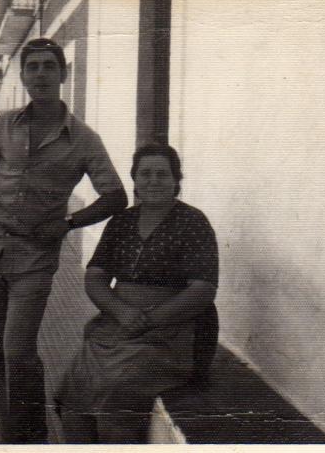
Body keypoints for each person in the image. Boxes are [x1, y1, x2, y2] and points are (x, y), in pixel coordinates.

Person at [0, 38, 127, 444]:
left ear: (63, 73)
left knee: (18, 350)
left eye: (49, 66)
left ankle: (32, 437)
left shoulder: (84, 139)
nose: (40, 74)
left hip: (34, 259)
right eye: (32, 67)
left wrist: (68, 223)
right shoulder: (4, 123)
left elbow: (116, 196)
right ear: (23, 76)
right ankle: (11, 435)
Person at [56, 143, 219, 444]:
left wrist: (149, 319)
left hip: (169, 334)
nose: (153, 181)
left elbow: (202, 290)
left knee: (116, 389)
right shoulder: (122, 222)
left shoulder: (193, 222)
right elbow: (95, 276)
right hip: (117, 328)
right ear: (134, 179)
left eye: (162, 174)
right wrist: (122, 312)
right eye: (145, 174)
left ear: (176, 180)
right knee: (74, 387)